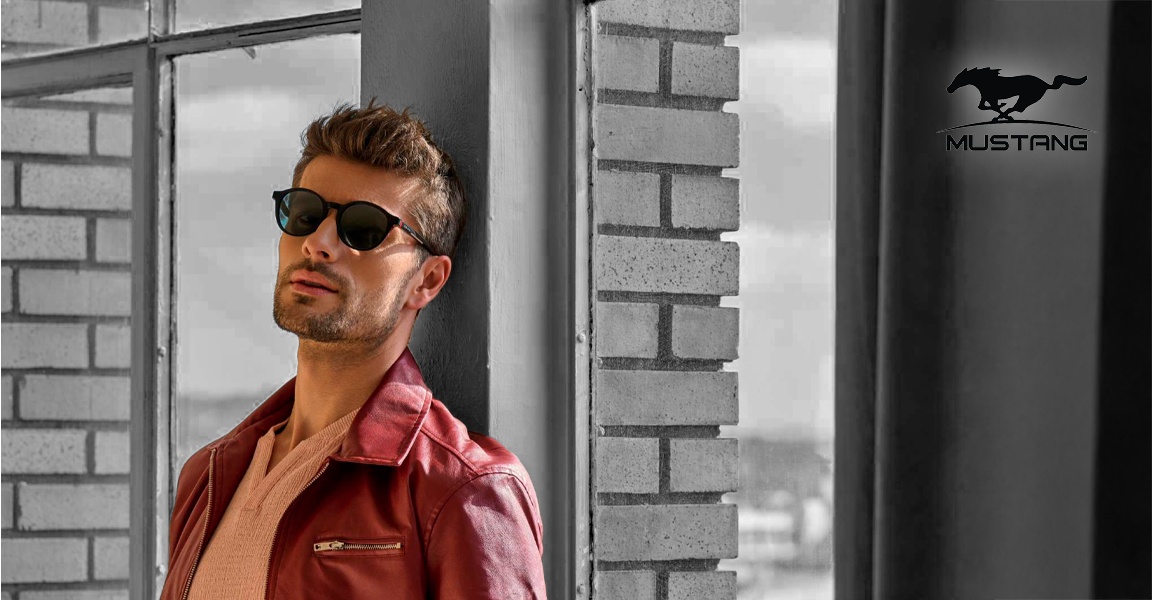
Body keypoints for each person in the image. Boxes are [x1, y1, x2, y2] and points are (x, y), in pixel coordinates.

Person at [159, 99, 548, 600]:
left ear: (427, 281)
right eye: (305, 213)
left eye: (363, 228)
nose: (318, 242)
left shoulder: (464, 489)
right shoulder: (208, 477)